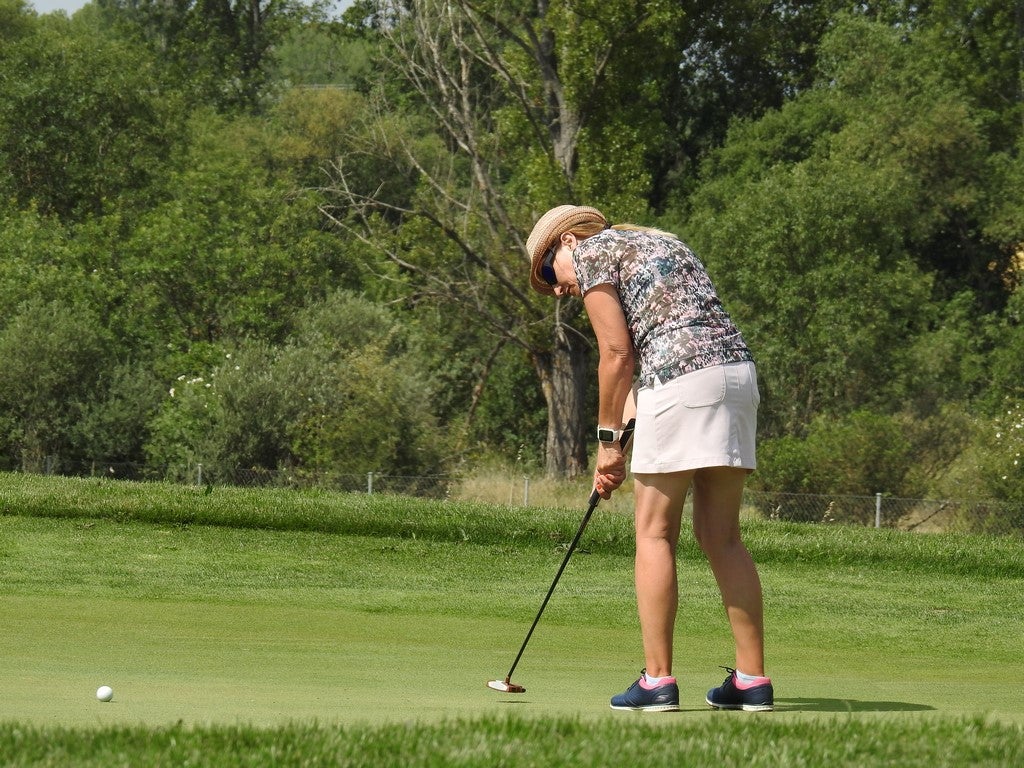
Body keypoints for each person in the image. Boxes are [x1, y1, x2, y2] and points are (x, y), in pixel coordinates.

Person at [525, 205, 773, 712]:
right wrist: (618, 440)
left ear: (567, 241)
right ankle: (752, 681)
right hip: (736, 378)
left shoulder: (593, 251)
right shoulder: (661, 243)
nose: (554, 289)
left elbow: (617, 355)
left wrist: (606, 443)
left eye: (548, 272)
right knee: (722, 536)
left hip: (683, 384)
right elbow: (654, 364)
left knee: (655, 533)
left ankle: (657, 680)